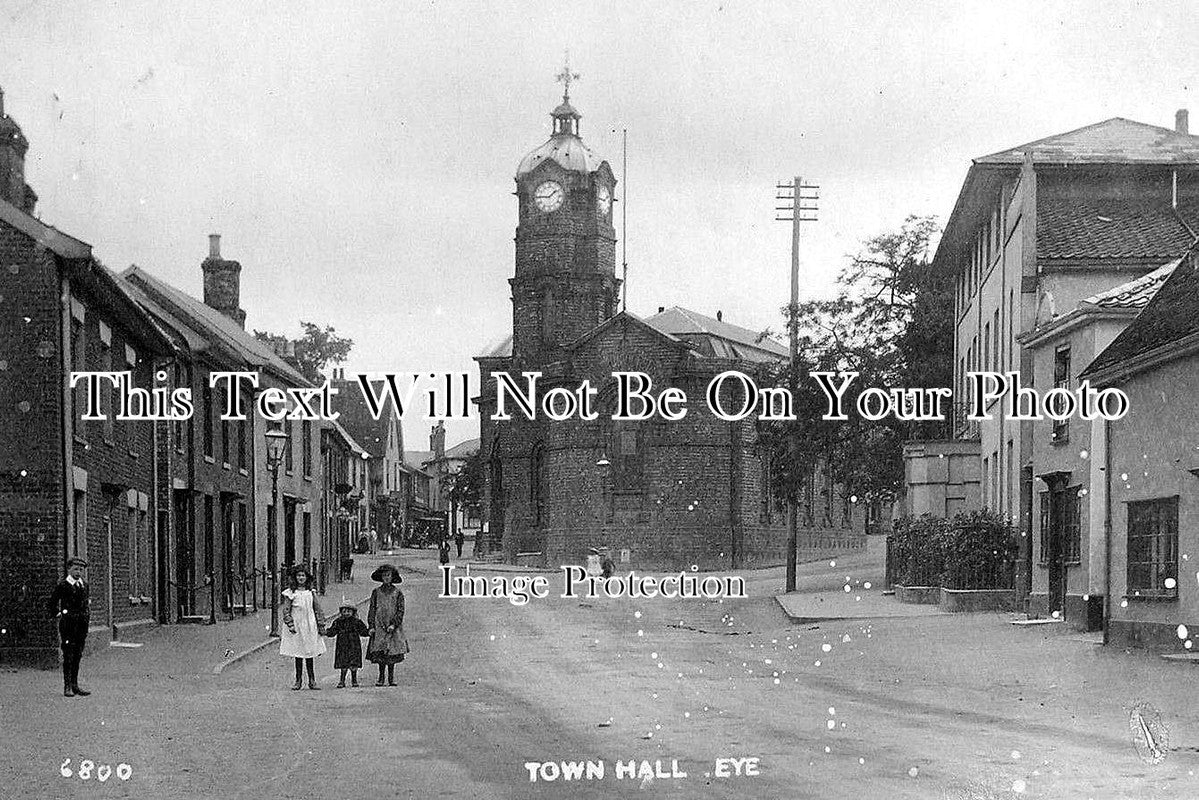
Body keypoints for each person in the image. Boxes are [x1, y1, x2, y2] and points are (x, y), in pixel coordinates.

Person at [48, 557, 91, 697]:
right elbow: (52, 603)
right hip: (68, 625)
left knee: (78, 654)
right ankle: (67, 686)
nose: (78, 572)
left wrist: (86, 616)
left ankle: (75, 685)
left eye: (81, 570)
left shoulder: (84, 585)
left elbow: (86, 603)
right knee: (68, 654)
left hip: (81, 625)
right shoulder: (63, 585)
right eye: (76, 569)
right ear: (69, 569)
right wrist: (59, 614)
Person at [280, 566, 326, 690]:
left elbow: (317, 609)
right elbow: (286, 610)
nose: (301, 578)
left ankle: (312, 680)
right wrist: (290, 624)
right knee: (298, 653)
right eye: (299, 575)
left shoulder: (311, 592)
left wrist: (320, 624)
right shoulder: (291, 593)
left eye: (303, 576)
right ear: (295, 578)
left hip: (309, 625)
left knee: (309, 653)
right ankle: (298, 680)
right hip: (297, 626)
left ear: (307, 578)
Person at [367, 564, 409, 686]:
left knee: (391, 652)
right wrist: (371, 625)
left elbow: (400, 610)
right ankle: (381, 677)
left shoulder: (398, 593)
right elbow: (372, 609)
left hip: (392, 627)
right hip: (379, 625)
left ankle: (391, 677)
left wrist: (394, 624)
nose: (386, 577)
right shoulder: (376, 592)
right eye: (384, 575)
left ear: (392, 577)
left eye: (388, 575)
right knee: (380, 652)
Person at [324, 597, 370, 688]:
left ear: (353, 612)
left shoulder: (357, 622)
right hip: (342, 645)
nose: (346, 613)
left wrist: (369, 632)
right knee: (343, 664)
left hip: (354, 645)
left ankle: (354, 680)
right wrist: (326, 632)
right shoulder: (338, 621)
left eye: (349, 611)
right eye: (344, 611)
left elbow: (363, 631)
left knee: (354, 664)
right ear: (341, 612)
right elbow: (333, 631)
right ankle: (342, 681)